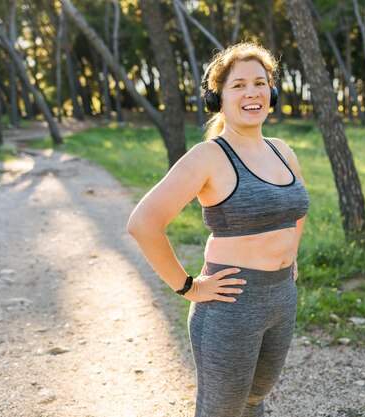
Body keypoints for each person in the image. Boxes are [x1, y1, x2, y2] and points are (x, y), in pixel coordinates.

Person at [127, 42, 309, 417]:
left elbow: (296, 209)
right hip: (231, 303)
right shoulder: (209, 156)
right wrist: (188, 286)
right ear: (218, 97)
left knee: (255, 400)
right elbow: (143, 223)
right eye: (238, 85)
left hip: (281, 297)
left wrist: (292, 257)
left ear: (271, 92)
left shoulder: (282, 151)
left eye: (260, 83)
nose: (252, 92)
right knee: (221, 409)